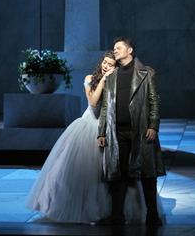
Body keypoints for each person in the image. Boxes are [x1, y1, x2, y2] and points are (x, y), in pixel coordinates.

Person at [24, 50, 159, 223]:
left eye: (111, 64)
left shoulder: (117, 82)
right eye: (105, 62)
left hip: (108, 129)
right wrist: (103, 80)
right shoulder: (90, 79)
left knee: (113, 174)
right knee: (82, 173)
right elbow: (93, 102)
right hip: (88, 127)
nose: (106, 66)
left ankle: (115, 212)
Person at [97, 37, 166, 226]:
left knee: (147, 173)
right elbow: (105, 106)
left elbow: (154, 101)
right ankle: (117, 216)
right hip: (117, 133)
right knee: (118, 174)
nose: (115, 50)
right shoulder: (112, 75)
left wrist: (153, 125)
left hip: (141, 131)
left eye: (119, 48)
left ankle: (152, 215)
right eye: (114, 48)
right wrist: (101, 131)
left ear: (130, 50)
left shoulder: (146, 73)